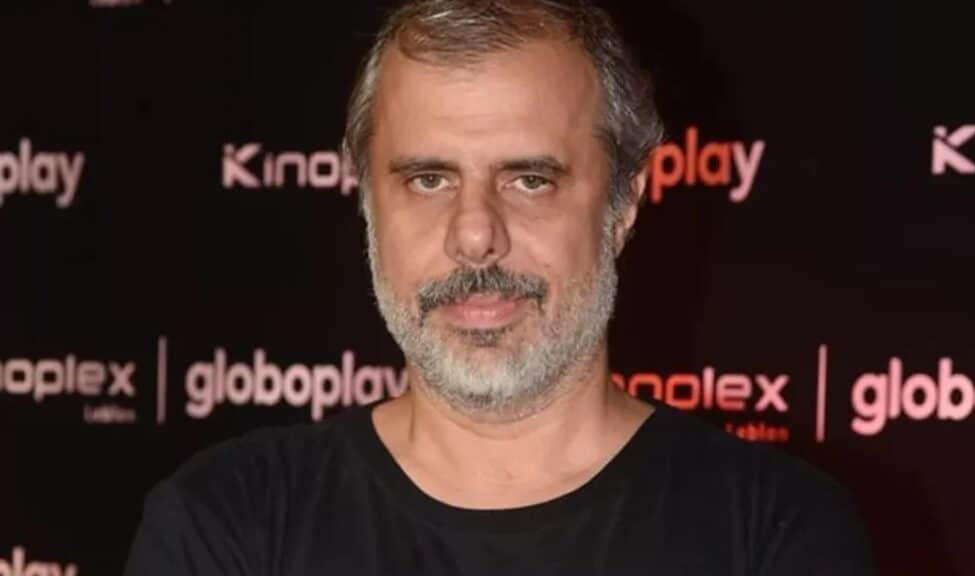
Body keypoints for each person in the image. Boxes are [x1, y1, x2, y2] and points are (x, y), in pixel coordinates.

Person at [124, 1, 876, 574]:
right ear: (366, 202)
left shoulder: (773, 533)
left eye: (529, 180)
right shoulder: (228, 525)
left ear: (623, 205)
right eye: (428, 179)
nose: (476, 235)